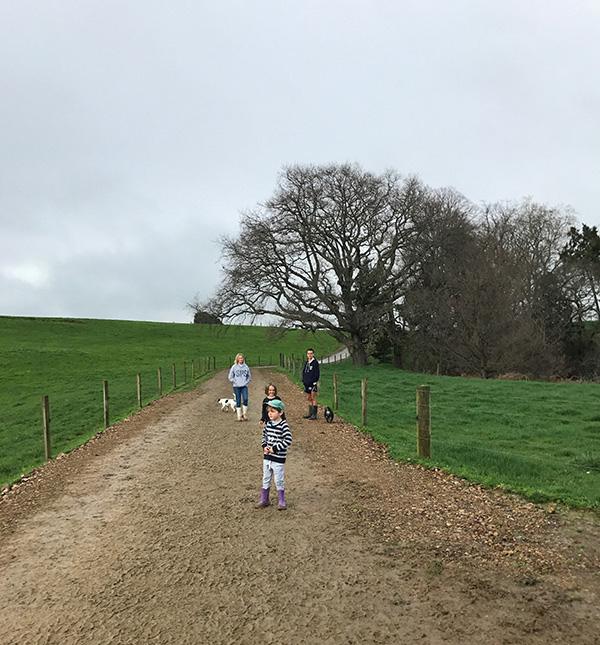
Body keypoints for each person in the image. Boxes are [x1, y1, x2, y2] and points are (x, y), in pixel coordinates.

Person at [255, 399, 292, 510]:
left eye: (273, 411)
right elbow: (264, 437)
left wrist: (275, 449)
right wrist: (264, 446)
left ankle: (281, 500)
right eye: (269, 411)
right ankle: (264, 499)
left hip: (278, 458)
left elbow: (288, 440)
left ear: (280, 413)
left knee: (278, 479)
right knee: (266, 478)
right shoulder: (268, 425)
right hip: (267, 458)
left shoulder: (283, 426)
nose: (270, 414)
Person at [228, 353, 251, 421]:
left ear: (243, 359)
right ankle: (238, 416)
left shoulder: (246, 367)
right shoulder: (234, 367)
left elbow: (249, 376)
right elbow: (230, 377)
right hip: (236, 386)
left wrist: (246, 382)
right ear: (237, 359)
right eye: (239, 358)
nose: (241, 359)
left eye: (242, 358)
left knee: (245, 399)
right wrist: (235, 381)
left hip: (244, 386)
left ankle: (244, 414)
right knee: (238, 400)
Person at [302, 348, 320, 420]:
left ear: (313, 354)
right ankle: (310, 413)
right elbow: (304, 372)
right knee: (309, 398)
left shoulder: (315, 363)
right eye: (308, 354)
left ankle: (314, 414)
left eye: (311, 353)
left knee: (313, 397)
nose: (310, 355)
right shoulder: (307, 363)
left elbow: (316, 373)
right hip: (306, 383)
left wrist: (314, 381)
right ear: (307, 354)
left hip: (312, 383)